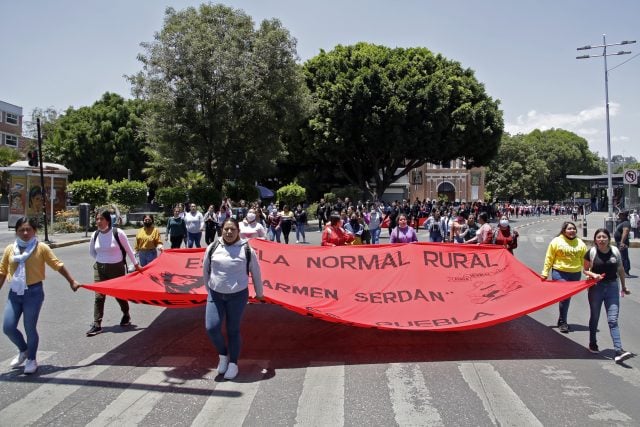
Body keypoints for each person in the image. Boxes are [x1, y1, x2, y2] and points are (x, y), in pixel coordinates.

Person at [0, 217, 81, 374]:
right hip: (15, 293)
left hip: (34, 292)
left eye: (28, 229)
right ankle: (23, 350)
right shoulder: (10, 249)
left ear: (34, 231)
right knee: (8, 327)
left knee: (30, 327)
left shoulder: (41, 248)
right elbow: (2, 271)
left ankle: (31, 358)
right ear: (16, 232)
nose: (25, 233)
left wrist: (72, 281)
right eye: (21, 230)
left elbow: (58, 265)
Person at [203, 218, 263, 380]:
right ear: (221, 230)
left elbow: (256, 272)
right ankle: (223, 356)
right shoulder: (213, 247)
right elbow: (206, 271)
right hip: (215, 295)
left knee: (233, 330)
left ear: (238, 231)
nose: (229, 232)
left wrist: (259, 292)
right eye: (226, 229)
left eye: (232, 229)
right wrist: (210, 290)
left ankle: (233, 363)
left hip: (237, 296)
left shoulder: (247, 249)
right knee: (211, 328)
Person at [87, 211, 142, 337]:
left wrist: (136, 265)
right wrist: (102, 259)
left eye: (101, 219)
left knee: (119, 295)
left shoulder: (117, 233)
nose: (98, 222)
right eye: (97, 219)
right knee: (99, 296)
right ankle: (97, 324)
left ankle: (126, 314)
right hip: (99, 268)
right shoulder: (95, 235)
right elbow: (92, 252)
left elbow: (128, 249)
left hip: (116, 267)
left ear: (107, 220)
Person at [583, 228, 632, 363]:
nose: (601, 239)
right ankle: (593, 343)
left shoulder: (615, 251)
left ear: (608, 239)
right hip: (596, 288)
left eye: (604, 237)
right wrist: (593, 275)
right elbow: (585, 270)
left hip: (612, 287)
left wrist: (623, 286)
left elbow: (620, 269)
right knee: (595, 317)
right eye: (599, 237)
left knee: (613, 319)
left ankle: (618, 350)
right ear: (595, 240)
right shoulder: (591, 252)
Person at [540, 221, 588, 333]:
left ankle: (561, 319)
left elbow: (585, 260)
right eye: (569, 229)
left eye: (573, 229)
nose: (572, 231)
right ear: (564, 230)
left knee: (567, 298)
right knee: (565, 297)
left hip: (575, 274)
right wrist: (545, 272)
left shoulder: (580, 243)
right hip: (559, 272)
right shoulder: (556, 241)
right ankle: (563, 322)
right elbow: (549, 257)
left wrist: (588, 272)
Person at [613, 210, 632, 277]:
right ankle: (621, 271)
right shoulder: (622, 222)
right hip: (619, 242)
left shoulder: (626, 223)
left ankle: (626, 272)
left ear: (624, 215)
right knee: (621, 257)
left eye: (621, 214)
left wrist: (622, 242)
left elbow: (625, 232)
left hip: (622, 243)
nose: (619, 215)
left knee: (624, 257)